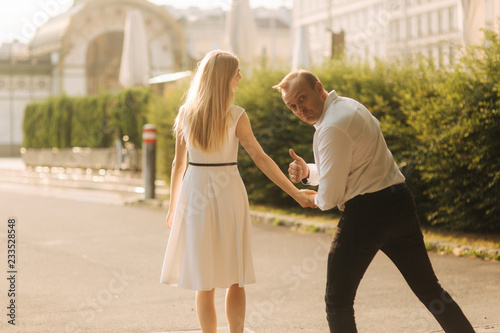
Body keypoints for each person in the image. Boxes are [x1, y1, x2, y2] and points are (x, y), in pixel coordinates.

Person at [273, 70, 475, 333]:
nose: (300, 109)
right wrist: (309, 173)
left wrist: (312, 199)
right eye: (293, 106)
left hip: (366, 215)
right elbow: (348, 166)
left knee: (338, 301)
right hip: (399, 202)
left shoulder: (332, 126)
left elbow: (331, 196)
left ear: (318, 88)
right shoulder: (349, 106)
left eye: (303, 98)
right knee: (430, 290)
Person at [160, 51, 316, 333]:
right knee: (235, 277)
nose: (241, 78)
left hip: (194, 195)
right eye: (237, 73)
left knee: (203, 280)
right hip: (228, 190)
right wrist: (296, 193)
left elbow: (178, 165)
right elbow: (260, 157)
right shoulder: (236, 115)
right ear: (224, 79)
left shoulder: (186, 114)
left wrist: (173, 208)